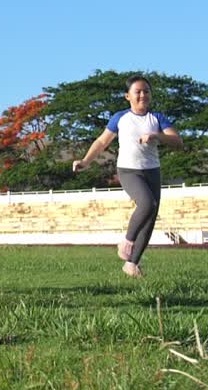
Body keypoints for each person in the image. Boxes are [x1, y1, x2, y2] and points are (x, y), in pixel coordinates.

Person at [72, 75, 183, 278]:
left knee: (150, 219)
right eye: (138, 91)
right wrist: (85, 161)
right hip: (128, 170)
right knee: (147, 204)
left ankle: (132, 265)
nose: (143, 95)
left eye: (146, 91)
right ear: (127, 96)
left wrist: (157, 136)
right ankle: (128, 241)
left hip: (152, 171)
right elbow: (102, 142)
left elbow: (177, 141)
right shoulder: (120, 118)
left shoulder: (157, 118)